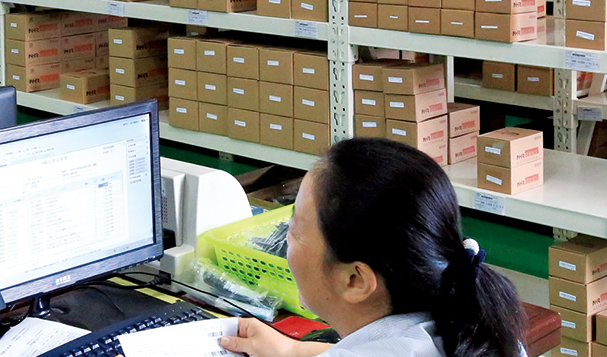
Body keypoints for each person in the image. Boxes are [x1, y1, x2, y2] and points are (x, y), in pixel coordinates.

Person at [220, 138, 527, 357]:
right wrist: (292, 350)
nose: (285, 236)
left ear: (355, 280)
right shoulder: (476, 329)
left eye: (296, 228)